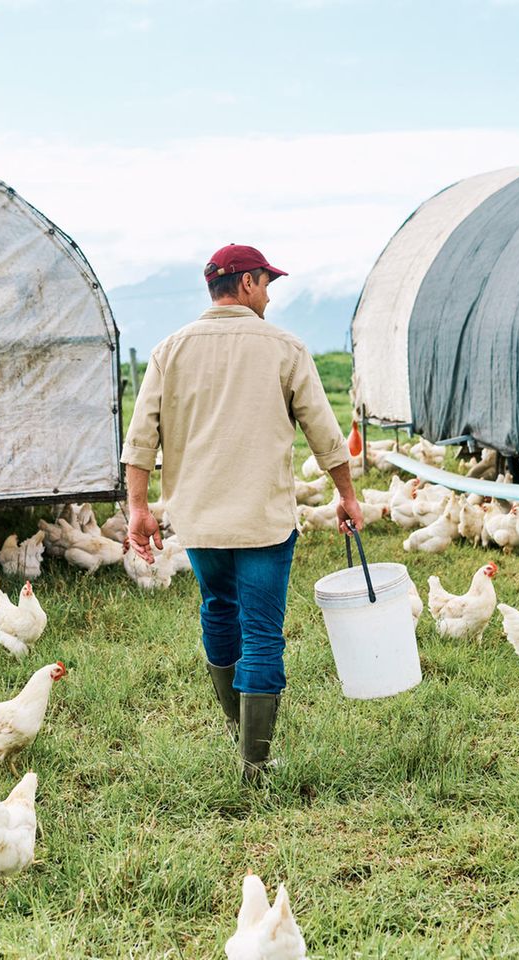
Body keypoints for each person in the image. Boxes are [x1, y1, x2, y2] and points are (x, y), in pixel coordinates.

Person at [121, 244, 363, 781]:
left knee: (218, 609)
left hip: (200, 521)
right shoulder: (284, 348)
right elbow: (325, 433)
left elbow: (139, 440)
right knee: (262, 630)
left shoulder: (169, 351)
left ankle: (239, 728)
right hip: (263, 521)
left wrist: (139, 508)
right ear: (248, 283)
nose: (269, 296)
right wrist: (346, 496)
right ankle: (256, 761)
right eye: (267, 284)